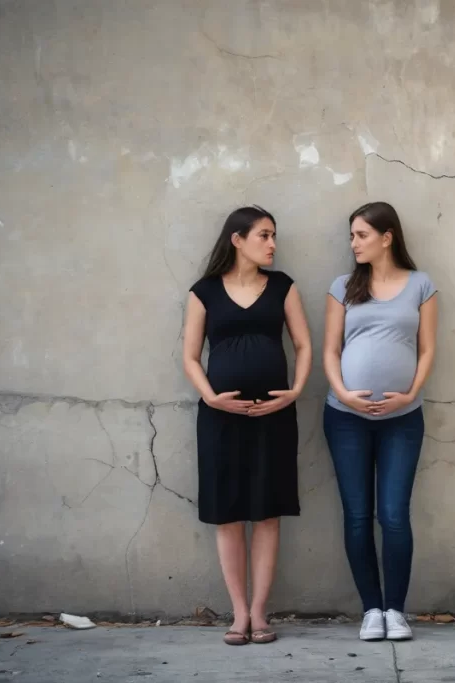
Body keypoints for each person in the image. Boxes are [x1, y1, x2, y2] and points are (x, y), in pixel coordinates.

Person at [182, 205, 312, 646]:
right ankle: (238, 614)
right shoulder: (203, 292)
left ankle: (260, 613)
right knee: (229, 516)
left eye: (274, 235)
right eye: (264, 235)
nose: (273, 243)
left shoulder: (282, 287)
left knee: (268, 514)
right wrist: (210, 396)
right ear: (237, 239)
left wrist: (294, 391)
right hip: (220, 419)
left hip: (273, 417)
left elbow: (303, 343)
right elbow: (189, 356)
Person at [322, 201, 439, 641]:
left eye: (361, 235)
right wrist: (344, 393)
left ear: (387, 237)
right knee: (357, 515)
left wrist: (409, 393)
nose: (354, 243)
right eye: (351, 235)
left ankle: (396, 610)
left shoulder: (421, 285)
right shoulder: (342, 286)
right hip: (345, 417)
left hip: (402, 419)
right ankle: (371, 609)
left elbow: (427, 349)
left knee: (393, 515)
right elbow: (331, 350)